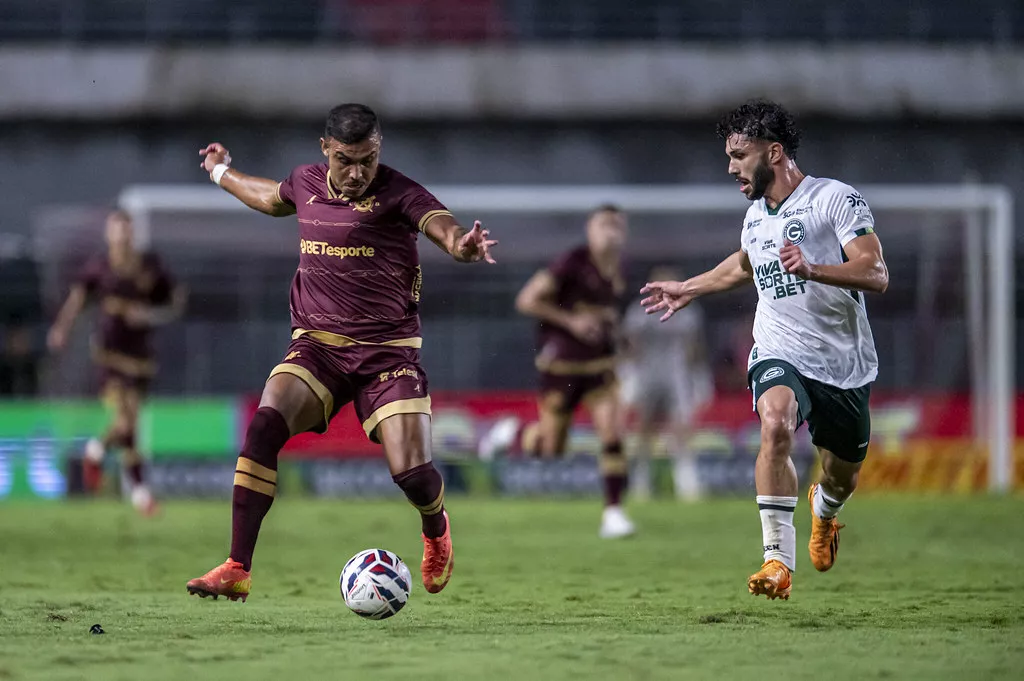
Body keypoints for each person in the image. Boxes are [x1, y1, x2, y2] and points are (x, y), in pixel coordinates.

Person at [186, 103, 497, 602]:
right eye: (346, 161)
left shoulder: (400, 193)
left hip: (388, 355)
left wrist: (462, 246)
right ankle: (236, 567)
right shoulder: (306, 183)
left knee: (413, 474)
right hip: (318, 348)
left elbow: (442, 228)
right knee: (264, 426)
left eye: (368, 161)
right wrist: (222, 171)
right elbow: (269, 198)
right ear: (325, 149)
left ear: (380, 152)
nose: (356, 174)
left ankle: (436, 529)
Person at [641, 100, 888, 600]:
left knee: (842, 477)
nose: (730, 167)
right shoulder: (755, 216)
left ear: (773, 153)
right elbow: (744, 263)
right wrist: (691, 287)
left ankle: (825, 510)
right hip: (778, 348)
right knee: (775, 421)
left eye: (738, 155)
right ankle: (777, 560)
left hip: (843, 364)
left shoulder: (833, 199)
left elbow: (876, 272)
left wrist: (815, 268)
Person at [48, 209, 186, 514]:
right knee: (125, 422)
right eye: (115, 229)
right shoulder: (99, 267)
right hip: (109, 354)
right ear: (108, 234)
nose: (121, 235)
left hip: (141, 357)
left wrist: (149, 315)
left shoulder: (149, 265)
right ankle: (97, 454)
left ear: (132, 232)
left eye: (125, 229)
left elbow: (176, 301)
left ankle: (136, 491)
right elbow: (77, 299)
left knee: (130, 428)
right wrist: (61, 328)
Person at [514, 205, 635, 539]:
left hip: (600, 366)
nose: (610, 230)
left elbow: (605, 312)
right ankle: (513, 435)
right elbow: (526, 300)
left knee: (612, 435)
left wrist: (617, 333)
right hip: (561, 367)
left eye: (616, 224)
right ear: (590, 230)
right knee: (552, 448)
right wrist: (572, 322)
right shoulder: (572, 261)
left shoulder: (622, 266)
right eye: (603, 224)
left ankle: (613, 513)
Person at [620, 266, 713, 500]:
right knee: (644, 427)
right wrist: (626, 375)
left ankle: (686, 481)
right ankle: (640, 481)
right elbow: (631, 346)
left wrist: (699, 377)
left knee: (681, 427)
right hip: (647, 375)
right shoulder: (639, 311)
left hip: (677, 375)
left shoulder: (688, 311)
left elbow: (694, 346)